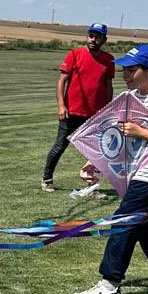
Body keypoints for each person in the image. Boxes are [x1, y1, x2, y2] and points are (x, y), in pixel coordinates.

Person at [73, 44, 148, 294]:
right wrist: (96, 160)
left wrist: (139, 132)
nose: (125, 74)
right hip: (146, 169)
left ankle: (109, 285)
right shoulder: (138, 96)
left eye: (132, 69)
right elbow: (123, 136)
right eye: (124, 69)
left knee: (124, 221)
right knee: (146, 223)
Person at [41, 24, 116, 193]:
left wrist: (107, 110)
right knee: (60, 146)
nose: (93, 39)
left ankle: (93, 185)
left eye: (97, 37)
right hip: (72, 112)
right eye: (91, 36)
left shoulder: (108, 60)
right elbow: (62, 81)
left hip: (95, 116)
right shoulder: (75, 54)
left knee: (96, 152)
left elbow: (108, 86)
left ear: (104, 40)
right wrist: (61, 105)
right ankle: (47, 178)